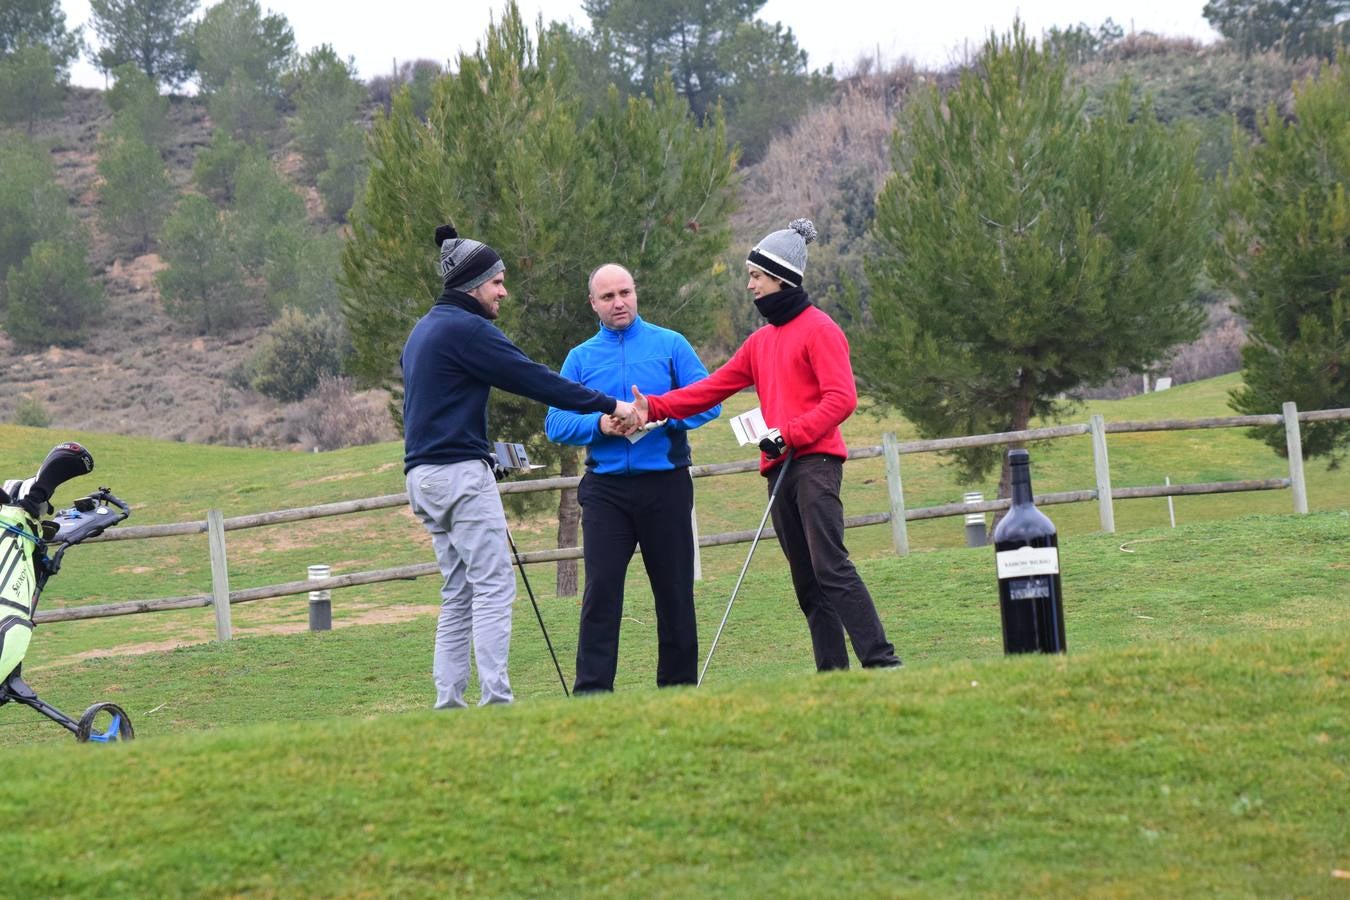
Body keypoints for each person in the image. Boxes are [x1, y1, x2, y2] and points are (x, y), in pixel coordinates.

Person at [632, 219, 902, 673]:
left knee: (830, 567)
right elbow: (711, 388)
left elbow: (842, 399)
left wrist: (790, 433)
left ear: (781, 277)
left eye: (756, 275)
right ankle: (832, 675)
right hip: (780, 468)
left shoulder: (820, 329)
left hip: (815, 463)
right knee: (807, 582)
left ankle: (882, 662)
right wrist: (653, 408)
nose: (750, 284)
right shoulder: (760, 342)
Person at [402, 225, 640, 709]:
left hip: (421, 476)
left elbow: (436, 408)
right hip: (458, 475)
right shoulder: (468, 329)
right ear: (473, 286)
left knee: (458, 590)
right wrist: (612, 405)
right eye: (497, 282)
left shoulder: (424, 330)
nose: (504, 291)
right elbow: (537, 381)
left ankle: (448, 702)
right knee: (493, 585)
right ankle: (497, 701)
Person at [544, 264, 721, 694]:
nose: (618, 302)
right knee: (601, 594)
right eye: (607, 297)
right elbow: (555, 423)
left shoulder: (670, 345)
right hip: (606, 493)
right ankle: (592, 694)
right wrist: (599, 426)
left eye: (625, 292)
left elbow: (710, 402)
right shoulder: (580, 358)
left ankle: (678, 691)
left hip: (666, 485)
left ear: (636, 293)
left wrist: (659, 414)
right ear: (593, 304)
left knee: (675, 593)